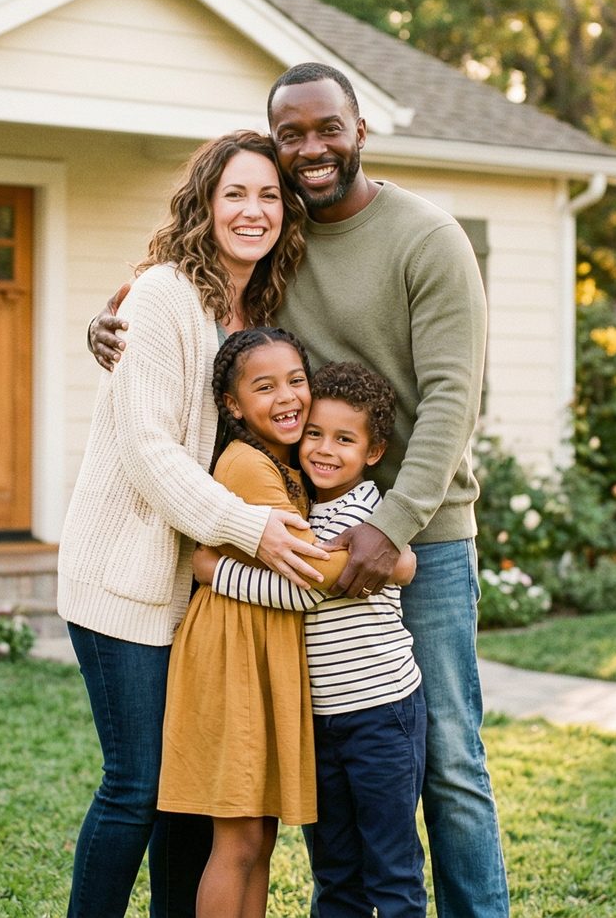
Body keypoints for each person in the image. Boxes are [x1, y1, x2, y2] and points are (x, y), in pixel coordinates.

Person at [90, 63, 509, 915]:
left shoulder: (429, 238)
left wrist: (389, 526)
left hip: (417, 533)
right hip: (309, 530)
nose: (311, 149)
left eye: (328, 129)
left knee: (451, 762)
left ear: (361, 131)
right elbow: (197, 280)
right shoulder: (282, 236)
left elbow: (454, 402)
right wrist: (114, 316)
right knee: (333, 761)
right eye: (293, 135)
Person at [57, 130, 333, 918]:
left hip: (194, 583)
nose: (254, 210)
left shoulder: (264, 305)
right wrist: (249, 526)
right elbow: (147, 446)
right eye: (236, 194)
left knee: (187, 796)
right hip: (122, 577)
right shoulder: (162, 295)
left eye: (270, 195)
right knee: (137, 786)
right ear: (204, 204)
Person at [198, 361, 426, 917]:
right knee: (335, 871)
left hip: (382, 713)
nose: (325, 449)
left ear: (373, 453)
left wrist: (214, 574)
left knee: (391, 870)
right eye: (315, 434)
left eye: (345, 439)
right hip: (319, 721)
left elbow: (308, 592)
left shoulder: (371, 518)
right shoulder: (295, 510)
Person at [158, 327, 325, 917]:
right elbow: (319, 572)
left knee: (260, 835)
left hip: (261, 650)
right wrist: (398, 558)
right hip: (233, 655)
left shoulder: (284, 464)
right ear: (233, 405)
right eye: (265, 386)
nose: (288, 397)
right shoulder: (251, 468)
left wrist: (214, 567)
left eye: (297, 380)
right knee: (238, 839)